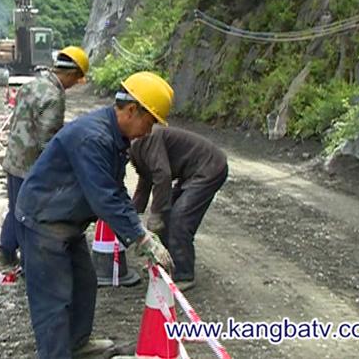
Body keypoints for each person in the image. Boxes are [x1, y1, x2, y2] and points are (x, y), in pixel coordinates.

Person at [15, 71, 174, 359]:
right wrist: (139, 238)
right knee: (54, 300)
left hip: (66, 221)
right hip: (43, 221)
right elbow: (104, 197)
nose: (149, 132)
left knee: (84, 285)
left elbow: (115, 189)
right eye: (149, 123)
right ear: (130, 110)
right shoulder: (93, 138)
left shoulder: (112, 136)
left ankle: (76, 345)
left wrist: (140, 231)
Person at [0, 46, 90, 270]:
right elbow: (48, 142)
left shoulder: (32, 84)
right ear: (71, 74)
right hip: (31, 166)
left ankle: (5, 252)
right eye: (76, 80)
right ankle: (29, 266)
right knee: (29, 216)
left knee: (15, 209)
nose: (75, 84)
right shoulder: (53, 96)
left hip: (14, 159)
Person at [129, 125, 228, 291]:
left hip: (209, 167)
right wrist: (133, 212)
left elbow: (162, 175)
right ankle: (165, 260)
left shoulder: (146, 136)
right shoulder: (135, 144)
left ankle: (184, 274)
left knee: (179, 219)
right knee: (167, 214)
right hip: (192, 170)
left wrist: (156, 214)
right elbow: (146, 178)